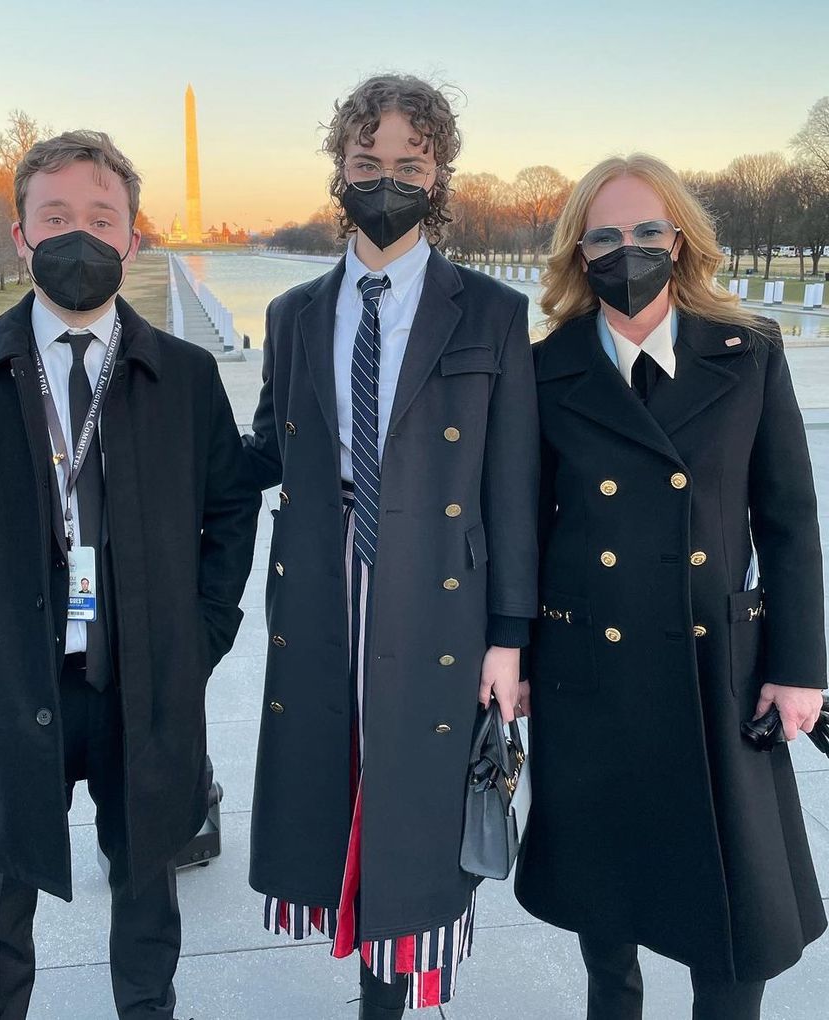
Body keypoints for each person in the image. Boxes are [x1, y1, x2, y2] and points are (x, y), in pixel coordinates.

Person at [0, 130, 259, 1020]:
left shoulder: (189, 378)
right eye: (55, 217)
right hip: (15, 679)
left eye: (101, 218)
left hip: (145, 683)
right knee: (0, 896)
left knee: (147, 888)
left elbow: (231, 512)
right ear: (20, 236)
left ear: (133, 238)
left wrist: (200, 637)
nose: (77, 236)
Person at [243, 75, 539, 1017]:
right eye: (367, 162)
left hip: (437, 592)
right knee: (341, 782)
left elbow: (513, 487)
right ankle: (354, 940)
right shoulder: (293, 315)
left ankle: (399, 986)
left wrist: (509, 635)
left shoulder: (491, 312)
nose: (386, 181)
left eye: (410, 164)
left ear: (441, 174)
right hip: (327, 587)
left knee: (418, 800)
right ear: (338, 169)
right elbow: (265, 447)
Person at [515, 153, 827, 1020]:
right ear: (579, 252)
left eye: (648, 230)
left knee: (737, 921)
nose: (629, 250)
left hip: (718, 665)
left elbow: (791, 524)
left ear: (681, 238)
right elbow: (524, 529)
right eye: (605, 235)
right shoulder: (545, 368)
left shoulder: (749, 352)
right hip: (590, 669)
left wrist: (801, 666)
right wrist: (516, 650)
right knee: (607, 920)